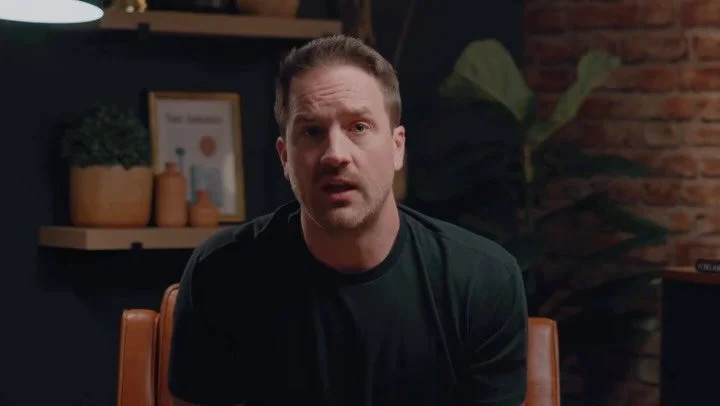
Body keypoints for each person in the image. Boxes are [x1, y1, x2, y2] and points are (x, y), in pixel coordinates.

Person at [167, 34, 528, 406]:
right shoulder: (221, 272)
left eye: (358, 127)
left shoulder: (481, 281)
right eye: (312, 131)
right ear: (284, 158)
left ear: (397, 147)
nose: (335, 154)